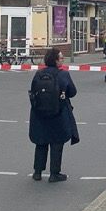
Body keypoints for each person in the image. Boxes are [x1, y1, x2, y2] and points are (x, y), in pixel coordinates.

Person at [28, 48, 77, 183]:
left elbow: (33, 90)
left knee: (41, 142)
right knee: (57, 143)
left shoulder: (38, 74)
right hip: (58, 113)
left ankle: (37, 172)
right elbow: (73, 92)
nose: (63, 60)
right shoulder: (63, 74)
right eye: (61, 58)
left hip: (39, 114)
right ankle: (54, 174)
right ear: (55, 60)